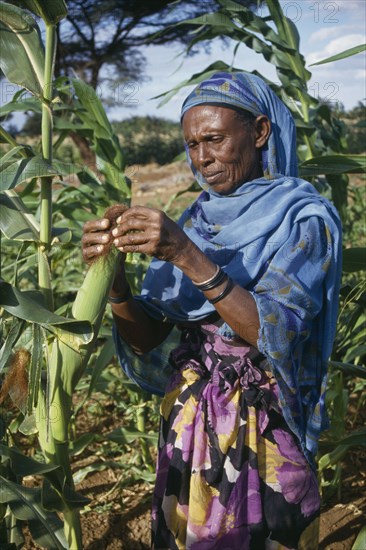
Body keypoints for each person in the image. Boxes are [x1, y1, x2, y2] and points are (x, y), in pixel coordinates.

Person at [82, 72, 342, 550]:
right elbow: (148, 340)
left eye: (215, 139)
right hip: (189, 422)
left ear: (260, 132)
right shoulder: (197, 220)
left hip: (264, 428)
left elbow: (271, 333)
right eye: (192, 144)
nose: (202, 157)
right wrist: (113, 279)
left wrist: (186, 254)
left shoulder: (304, 220)